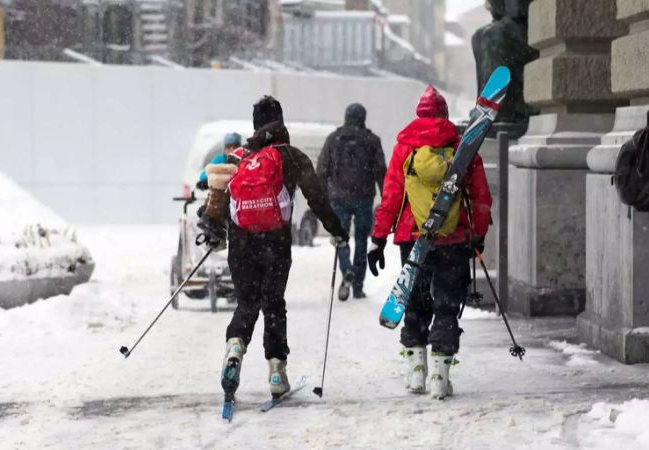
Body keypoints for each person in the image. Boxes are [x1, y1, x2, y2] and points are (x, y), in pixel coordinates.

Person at [202, 96, 348, 401]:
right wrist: (337, 230)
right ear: (280, 121)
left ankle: (234, 349)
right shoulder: (291, 156)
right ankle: (277, 371)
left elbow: (216, 202)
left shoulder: (238, 158)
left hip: (241, 243)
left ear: (255, 124)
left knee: (246, 303)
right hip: (275, 242)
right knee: (273, 304)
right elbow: (317, 197)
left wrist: (215, 231)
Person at [367, 85, 492, 400]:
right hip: (453, 236)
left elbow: (393, 195)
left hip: (413, 236)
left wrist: (379, 238)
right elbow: (480, 197)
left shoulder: (405, 147)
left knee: (416, 299)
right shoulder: (463, 147)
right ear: (445, 114)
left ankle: (416, 370)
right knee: (447, 303)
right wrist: (477, 234)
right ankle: (440, 371)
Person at [317, 103, 386, 301]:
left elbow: (322, 170)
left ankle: (346, 269)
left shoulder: (334, 139)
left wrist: (321, 198)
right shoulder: (372, 141)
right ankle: (358, 286)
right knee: (362, 240)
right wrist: (386, 196)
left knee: (341, 238)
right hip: (364, 198)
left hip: (338, 197)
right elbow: (381, 171)